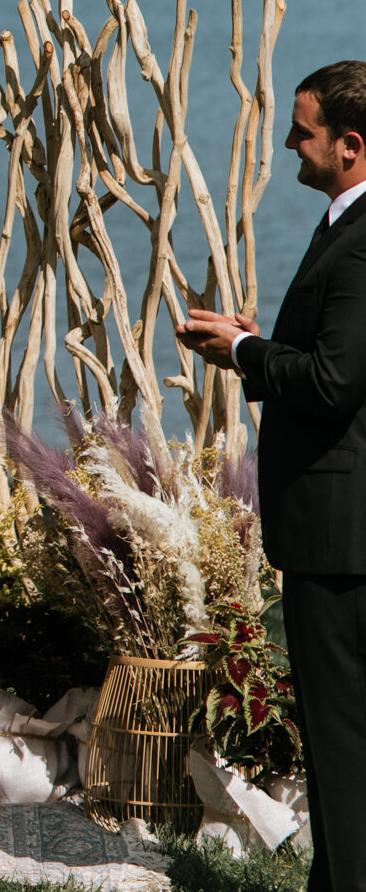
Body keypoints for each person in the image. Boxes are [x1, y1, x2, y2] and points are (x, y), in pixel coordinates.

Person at [182, 60, 366, 892]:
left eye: (304, 129)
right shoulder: (343, 226)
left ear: (351, 146)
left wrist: (246, 353)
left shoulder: (361, 244)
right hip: (335, 524)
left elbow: (333, 385)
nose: (289, 141)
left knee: (341, 734)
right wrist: (257, 344)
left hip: (341, 533)